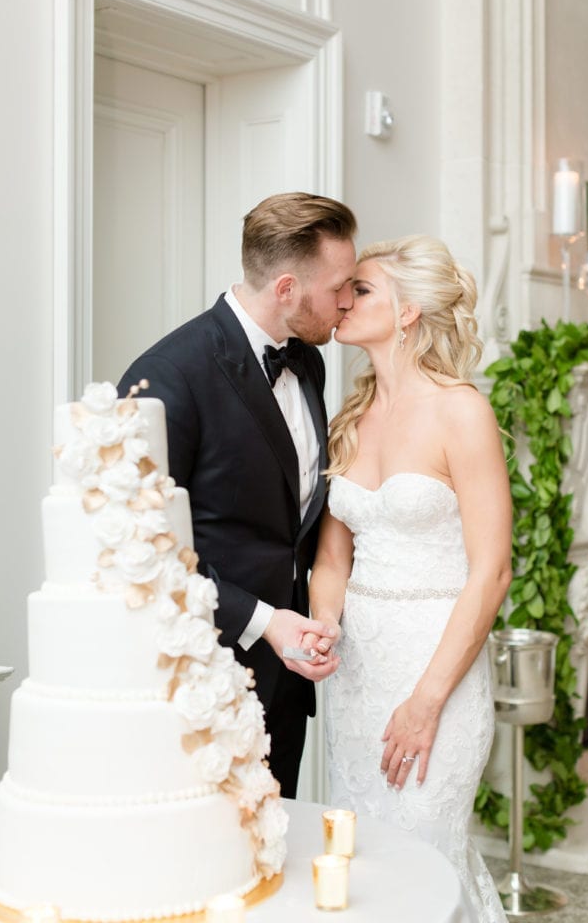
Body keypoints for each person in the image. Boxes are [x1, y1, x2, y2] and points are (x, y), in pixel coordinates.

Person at [118, 192, 357, 797]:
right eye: (340, 288)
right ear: (286, 289)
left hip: (287, 678)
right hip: (202, 677)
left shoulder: (309, 361)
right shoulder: (169, 378)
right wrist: (263, 621)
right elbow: (141, 548)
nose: (349, 302)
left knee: (278, 853)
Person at [305, 235, 512, 921]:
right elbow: (334, 556)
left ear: (407, 312)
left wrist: (426, 701)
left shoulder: (461, 411)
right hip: (358, 673)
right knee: (362, 860)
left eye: (359, 290)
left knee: (423, 851)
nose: (342, 299)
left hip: (436, 668)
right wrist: (326, 624)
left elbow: (492, 571)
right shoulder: (350, 416)